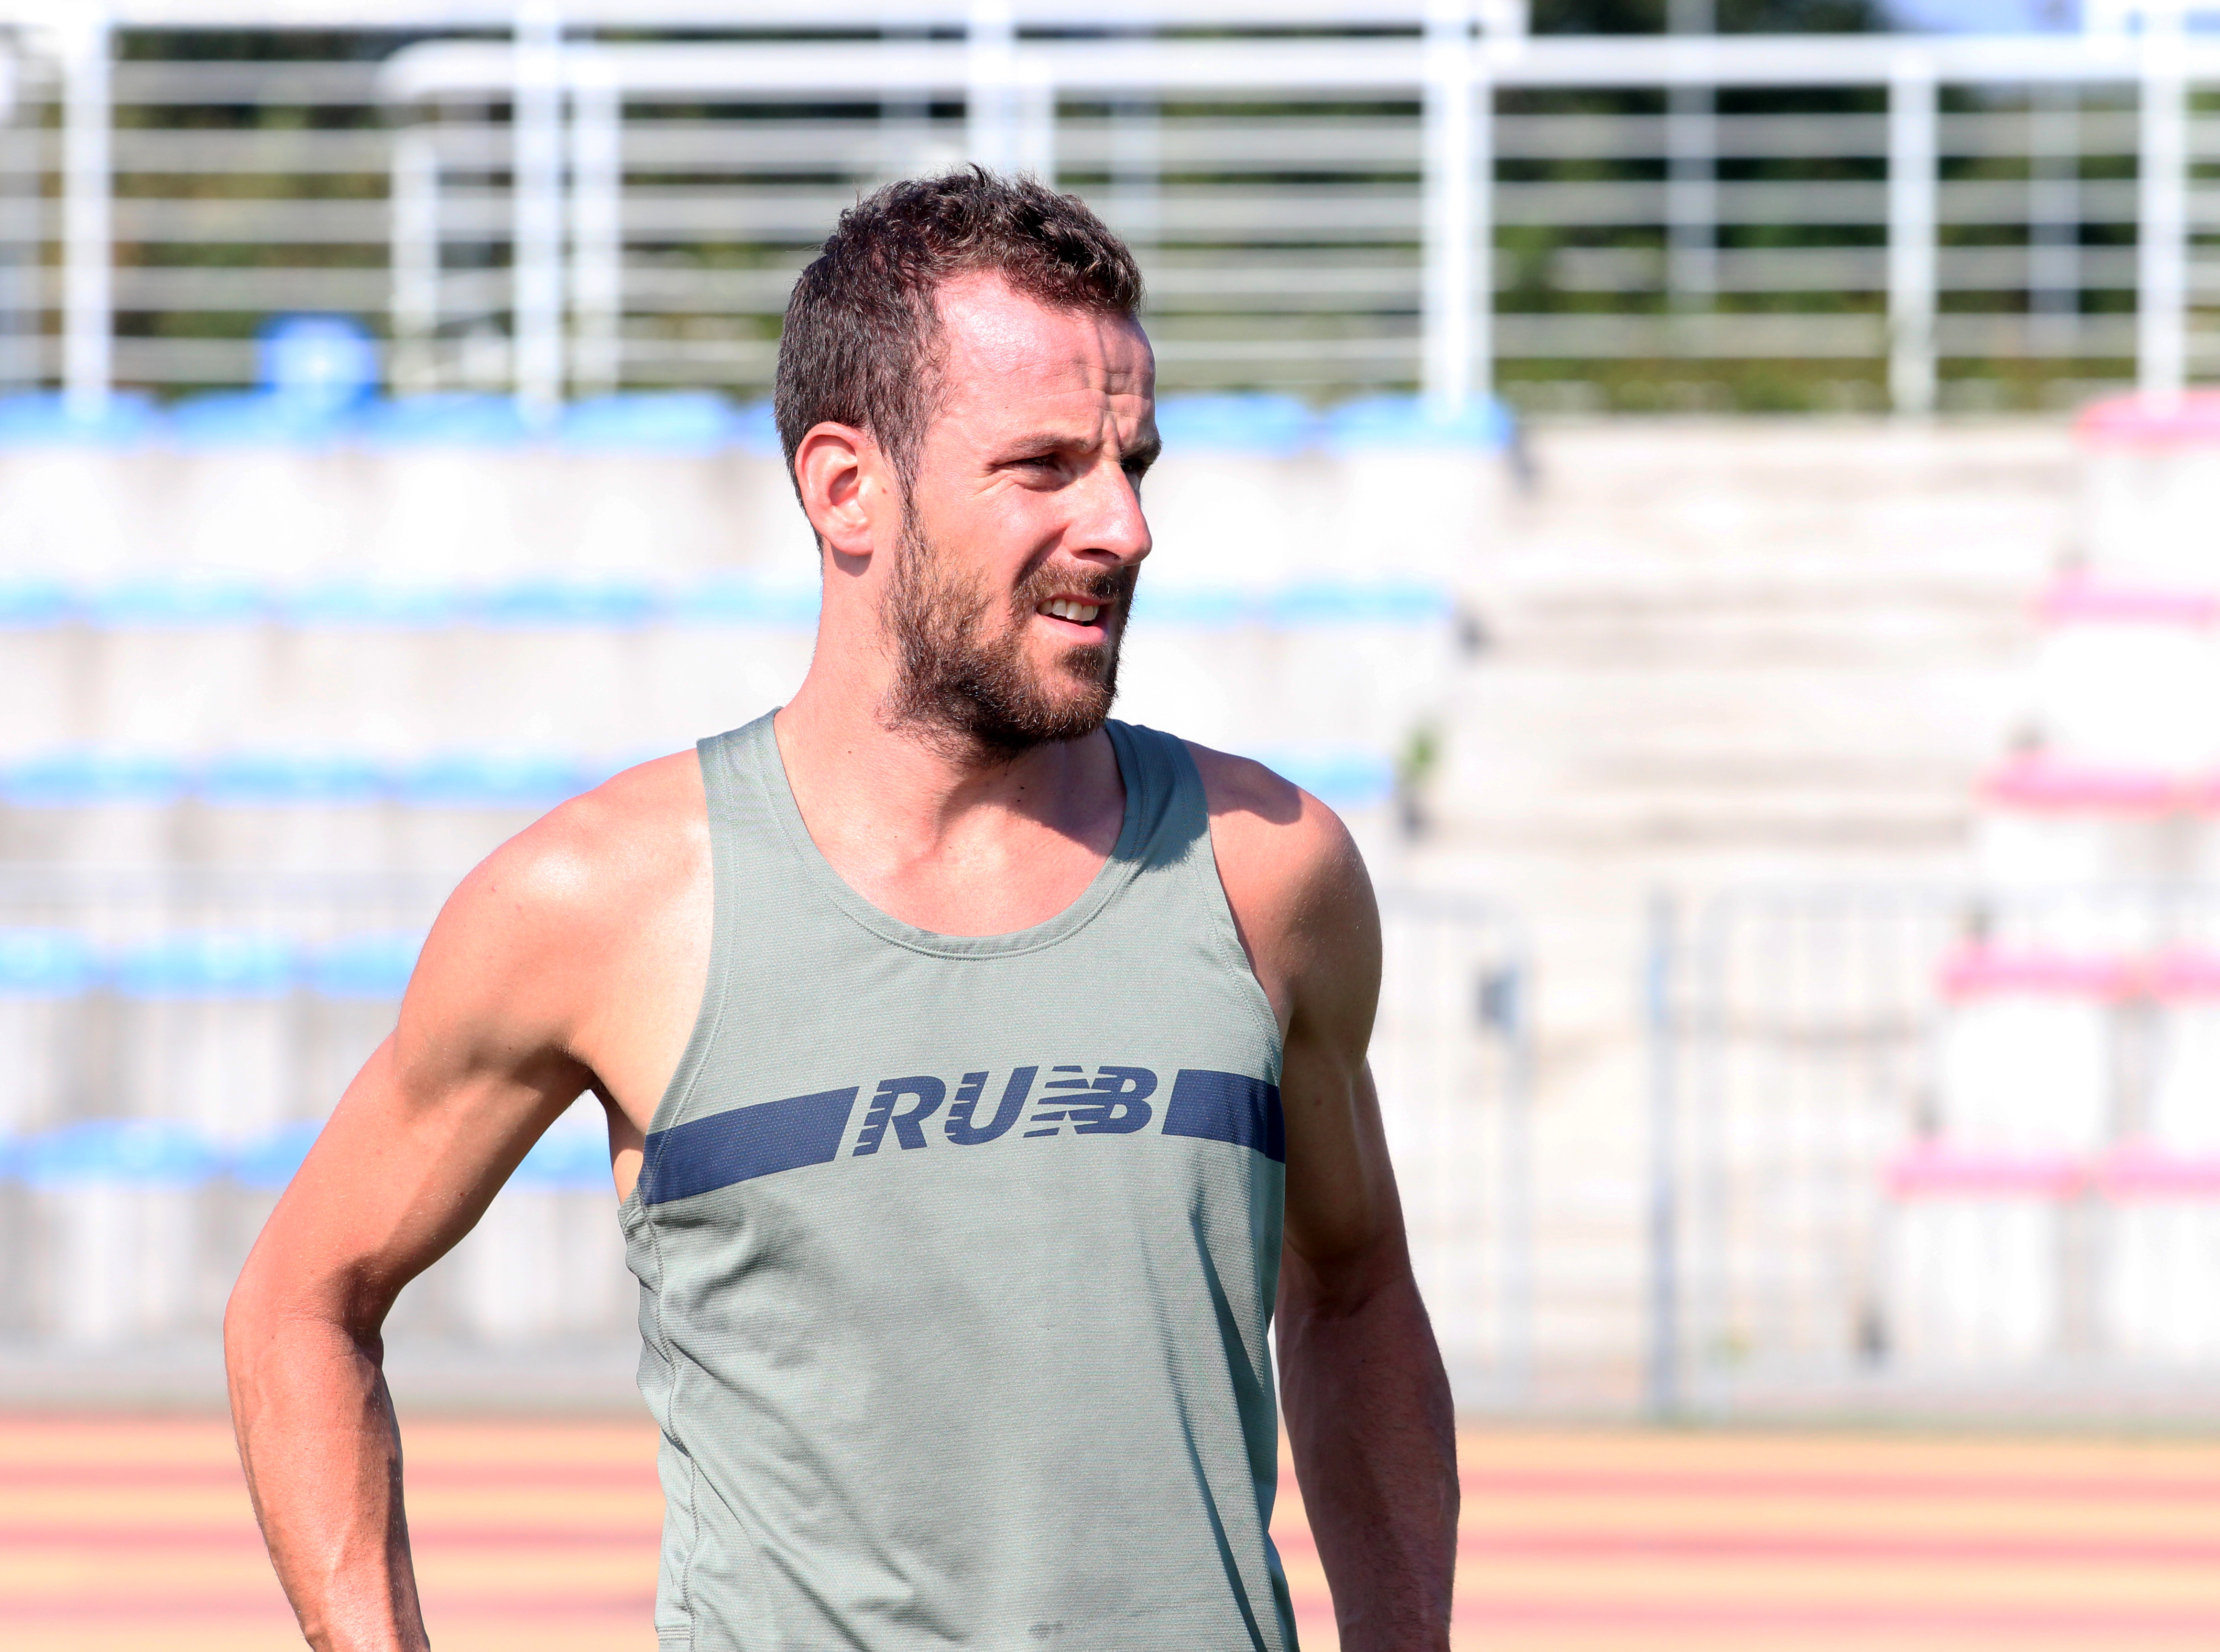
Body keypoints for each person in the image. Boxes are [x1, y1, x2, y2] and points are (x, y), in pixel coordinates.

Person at [226, 167, 1457, 1652]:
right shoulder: (602, 903)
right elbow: (300, 1305)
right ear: (844, 489)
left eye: (1133, 464)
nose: (1125, 526)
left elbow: (1355, 1291)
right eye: (1046, 467)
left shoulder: (1272, 870)